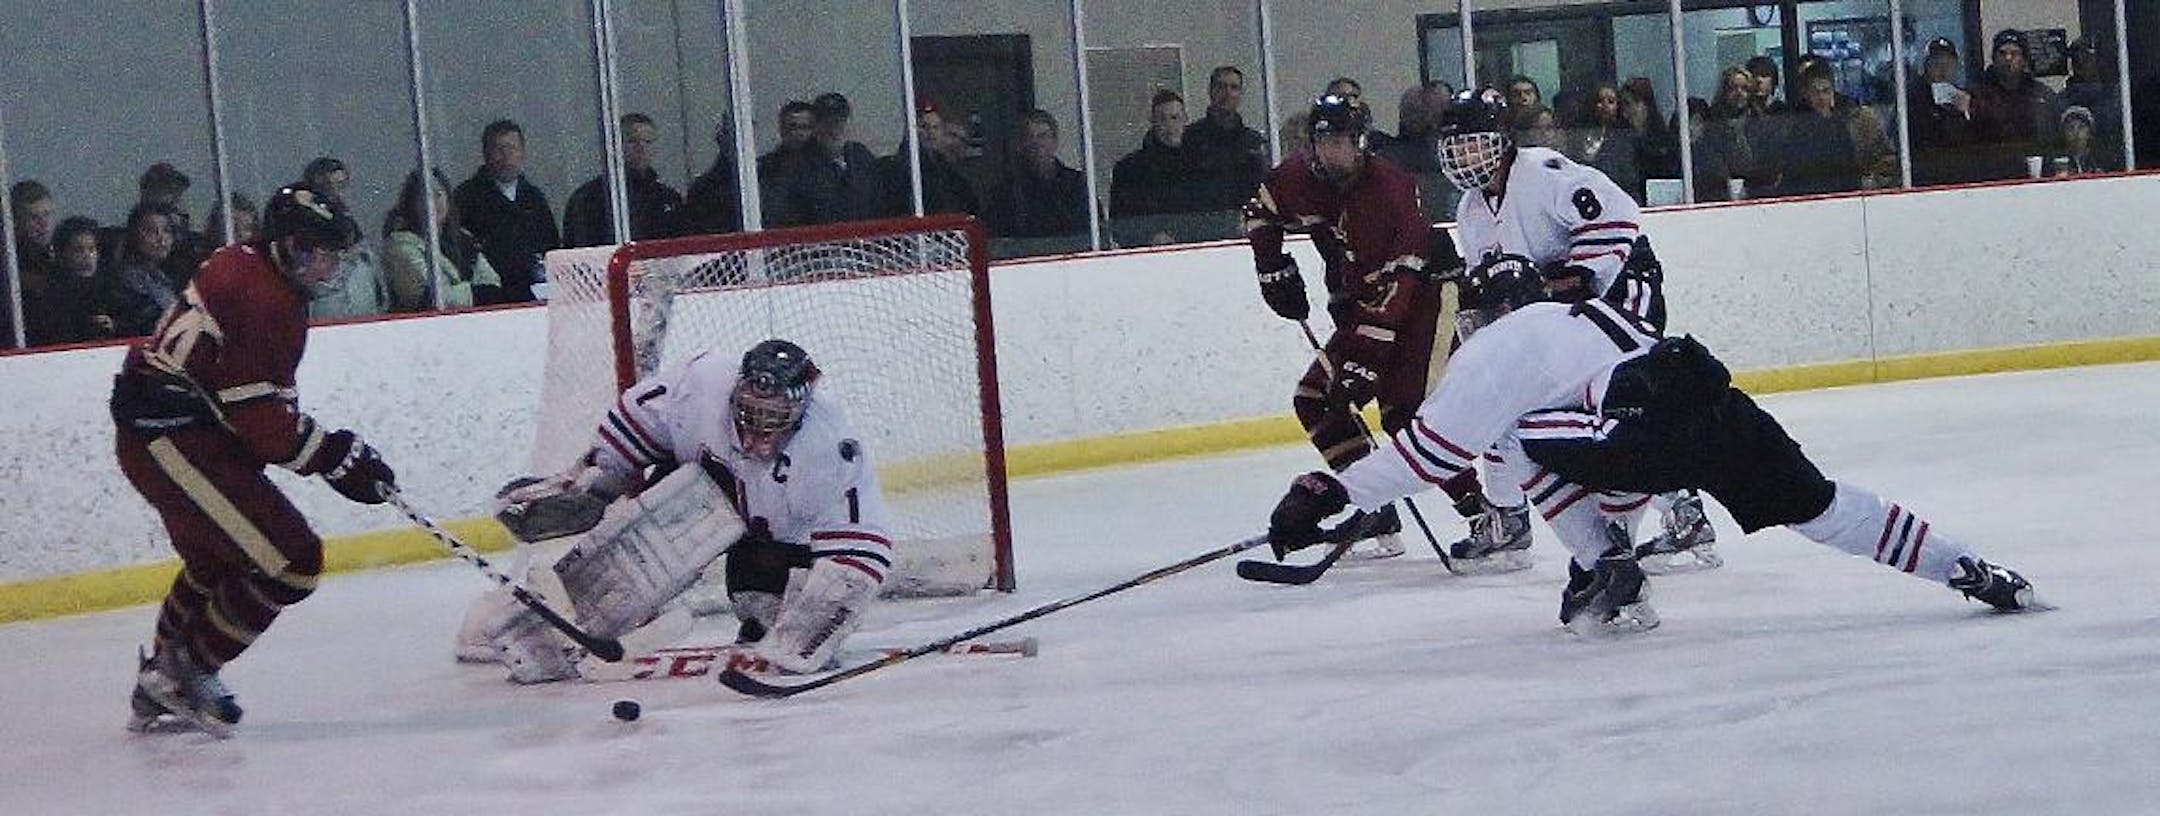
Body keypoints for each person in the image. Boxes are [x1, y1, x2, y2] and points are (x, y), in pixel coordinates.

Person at [1265, 256, 2043, 636]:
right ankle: (1970, 568)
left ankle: (1607, 566)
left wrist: (1331, 491)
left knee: (1519, 434)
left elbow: (1431, 455)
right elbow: (1618, 459)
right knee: (1824, 507)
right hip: (1710, 402)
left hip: (1639, 429)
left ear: (1488, 313)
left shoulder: (1497, 352)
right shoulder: (1591, 320)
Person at [111, 184, 392, 734]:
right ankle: (180, 672)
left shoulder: (247, 266)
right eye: (326, 252)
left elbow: (252, 403)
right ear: (293, 246)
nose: (334, 265)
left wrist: (333, 452)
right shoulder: (262, 297)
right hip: (172, 441)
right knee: (293, 560)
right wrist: (335, 457)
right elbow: (262, 425)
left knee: (216, 564)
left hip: (174, 435)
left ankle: (161, 680)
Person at [458, 340, 894, 682]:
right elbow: (637, 422)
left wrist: (821, 621)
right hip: (704, 505)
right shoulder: (703, 384)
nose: (757, 433)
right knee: (663, 519)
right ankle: (539, 626)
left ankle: (767, 618)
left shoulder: (831, 451)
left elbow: (859, 548)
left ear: (800, 412)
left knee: (764, 616)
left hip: (779, 550)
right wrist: (596, 487)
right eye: (750, 414)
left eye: (773, 419)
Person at [1433, 87, 1716, 574]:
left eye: (1475, 143)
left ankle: (1685, 513)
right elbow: (1494, 286)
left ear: (1502, 139)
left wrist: (1578, 278)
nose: (1465, 157)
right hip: (1560, 312)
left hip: (1623, 288)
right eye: (1456, 146)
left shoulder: (1543, 174)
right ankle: (1508, 517)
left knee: (1623, 403)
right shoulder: (1470, 210)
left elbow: (1621, 215)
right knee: (1503, 397)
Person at [1242, 95, 1451, 562]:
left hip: (1424, 299)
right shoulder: (1300, 176)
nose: (1329, 152)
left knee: (1404, 416)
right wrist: (1272, 269)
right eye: (1322, 141)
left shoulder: (1392, 190)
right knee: (1315, 399)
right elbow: (1261, 211)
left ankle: (1488, 516)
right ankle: (1375, 509)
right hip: (1363, 306)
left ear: (1361, 144)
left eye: (1340, 142)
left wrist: (1364, 359)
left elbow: (1400, 285)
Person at [453, 119, 559, 303]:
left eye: (512, 149)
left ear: (523, 153)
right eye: (499, 149)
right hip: (492, 300)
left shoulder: (534, 198)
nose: (506, 157)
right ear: (486, 154)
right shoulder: (466, 198)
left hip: (537, 295)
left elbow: (551, 246)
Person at [383, 168, 501, 310]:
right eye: (425, 196)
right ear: (412, 203)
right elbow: (426, 297)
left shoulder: (463, 239)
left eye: (438, 195)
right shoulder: (399, 246)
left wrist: (468, 293)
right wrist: (473, 293)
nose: (432, 203)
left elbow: (492, 285)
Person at [562, 113, 687, 246]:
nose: (641, 148)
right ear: (616, 146)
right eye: (633, 141)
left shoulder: (668, 198)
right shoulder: (590, 198)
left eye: (648, 142)